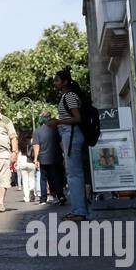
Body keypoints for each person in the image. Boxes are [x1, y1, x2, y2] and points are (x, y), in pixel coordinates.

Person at [49, 69, 91, 222]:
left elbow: (77, 118)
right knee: (73, 173)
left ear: (65, 81)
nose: (55, 83)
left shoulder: (70, 96)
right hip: (69, 133)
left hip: (72, 134)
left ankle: (79, 211)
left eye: (57, 80)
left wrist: (58, 122)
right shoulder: (67, 96)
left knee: (74, 174)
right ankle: (77, 210)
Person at [31, 111, 67, 205]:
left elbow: (36, 146)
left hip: (44, 159)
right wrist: (64, 154)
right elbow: (61, 143)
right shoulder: (55, 130)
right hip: (56, 157)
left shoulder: (37, 131)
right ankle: (61, 196)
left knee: (43, 179)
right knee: (56, 177)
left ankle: (43, 199)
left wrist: (35, 159)